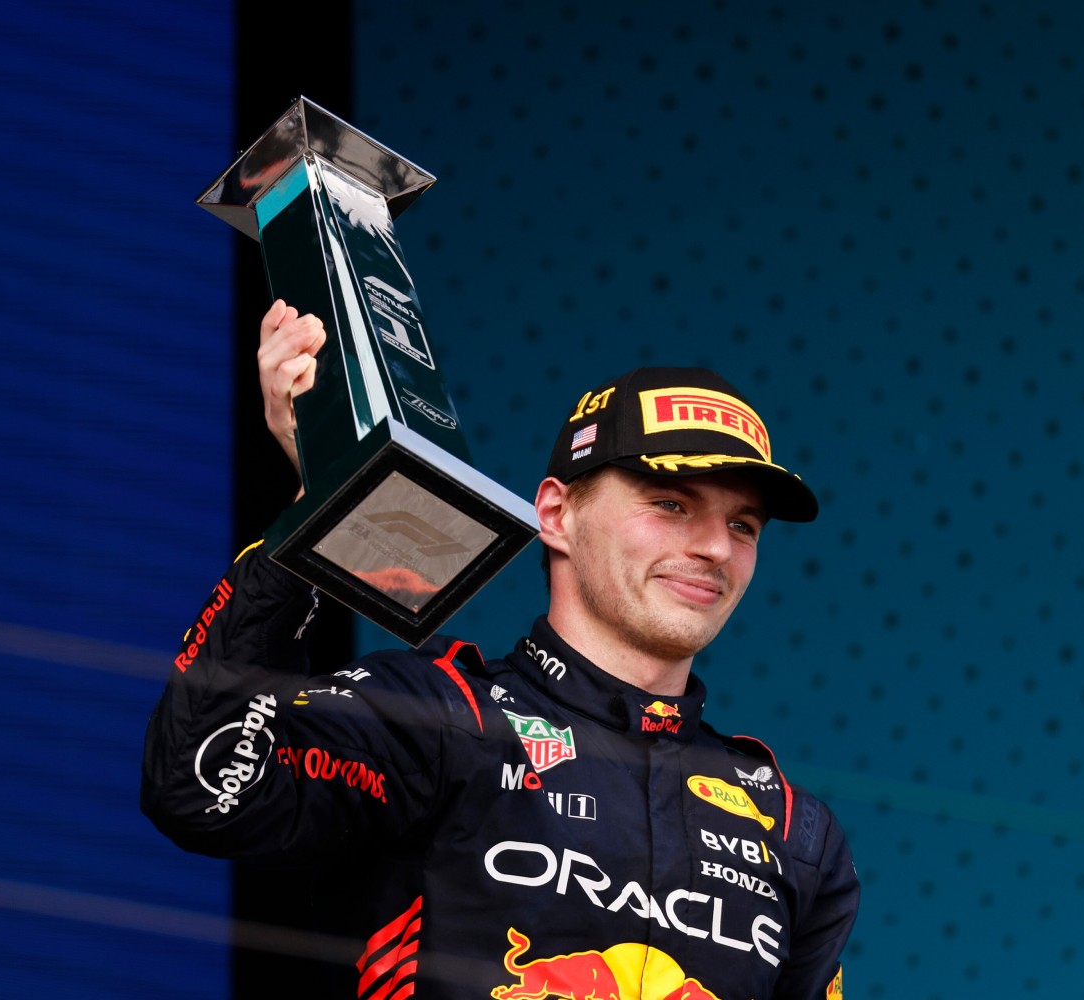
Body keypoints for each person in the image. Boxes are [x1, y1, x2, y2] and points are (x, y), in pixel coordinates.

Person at [141, 301, 860, 1000]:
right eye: (670, 504)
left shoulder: (793, 827)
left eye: (743, 524)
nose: (712, 547)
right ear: (555, 514)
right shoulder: (437, 718)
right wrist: (311, 520)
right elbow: (200, 788)